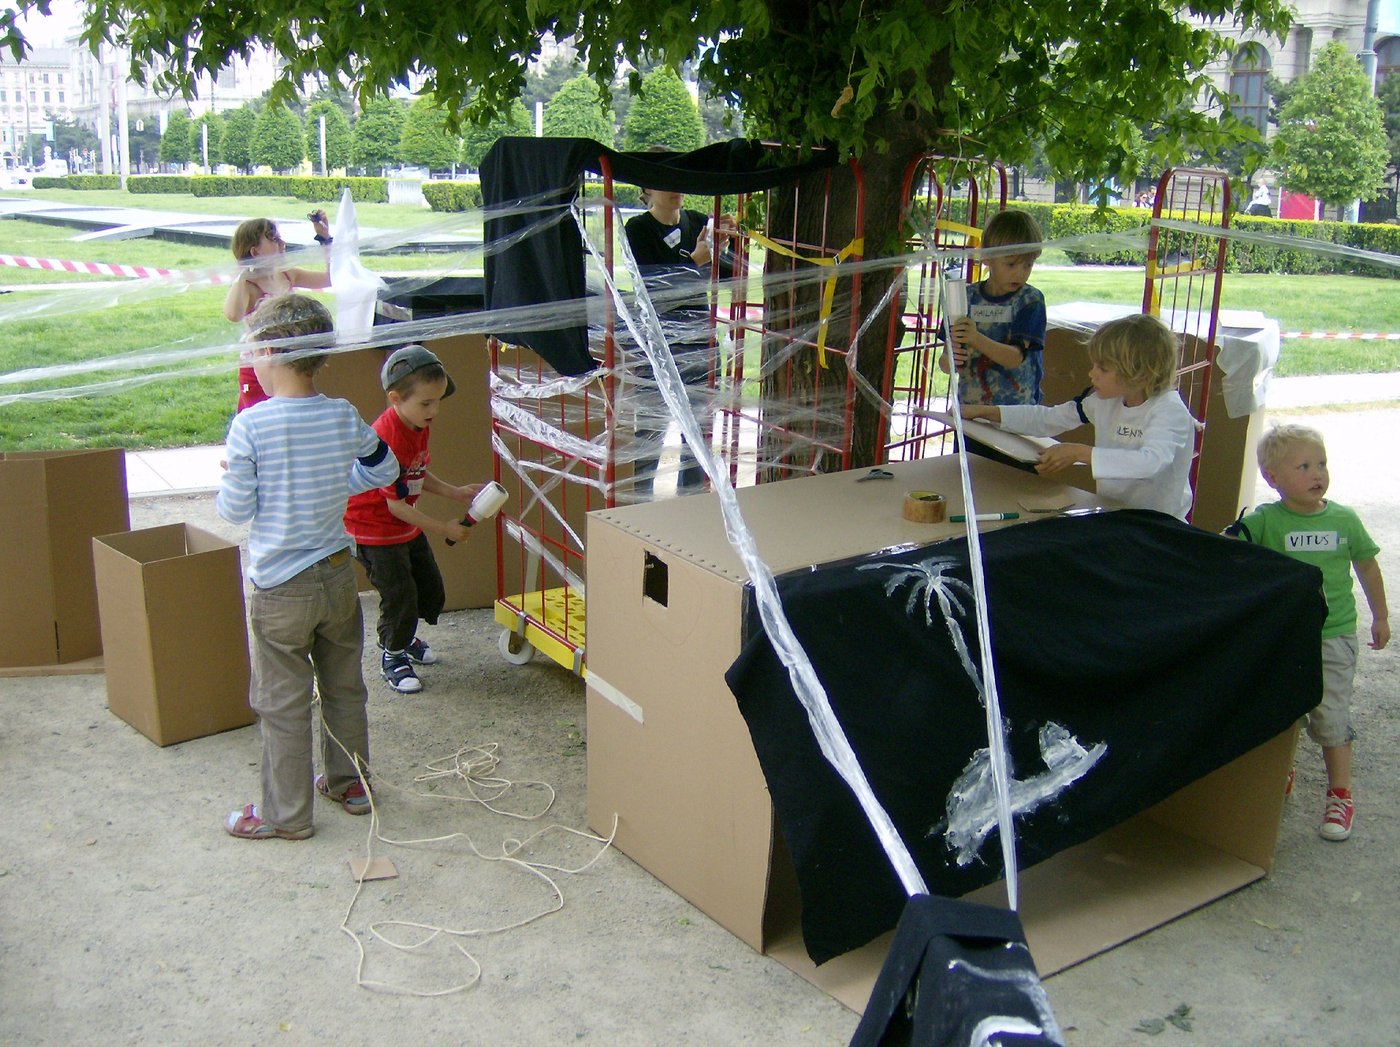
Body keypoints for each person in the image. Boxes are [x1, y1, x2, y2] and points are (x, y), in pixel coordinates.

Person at [217, 294, 401, 841]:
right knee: (345, 686)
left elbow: (235, 510)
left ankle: (286, 815)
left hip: (278, 586)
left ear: (272, 350)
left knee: (281, 701)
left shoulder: (251, 426)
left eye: (253, 346)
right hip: (337, 576)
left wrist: (231, 472)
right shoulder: (342, 413)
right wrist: (334, 487)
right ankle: (350, 785)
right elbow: (384, 466)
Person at [1228, 424, 1389, 842]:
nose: (1317, 473)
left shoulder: (1343, 519)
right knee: (1286, 713)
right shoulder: (1266, 520)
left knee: (1332, 718)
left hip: (1334, 636)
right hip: (1287, 636)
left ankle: (1340, 794)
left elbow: (1367, 567)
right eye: (1303, 466)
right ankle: (1282, 772)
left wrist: (1381, 616)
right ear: (1273, 479)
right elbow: (1231, 546)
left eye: (1321, 464)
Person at [344, 344, 484, 694]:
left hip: (402, 524)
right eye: (426, 403)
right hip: (375, 530)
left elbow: (416, 472)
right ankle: (393, 654)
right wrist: (444, 528)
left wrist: (455, 491)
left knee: (428, 588)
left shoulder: (417, 424)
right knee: (400, 595)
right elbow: (396, 506)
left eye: (438, 401)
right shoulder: (387, 438)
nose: (434, 410)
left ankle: (404, 637)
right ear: (395, 398)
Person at [960, 312, 1196, 520]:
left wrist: (1079, 453)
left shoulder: (1169, 411)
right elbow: (1049, 419)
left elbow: (1151, 463)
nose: (1091, 373)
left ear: (1140, 374)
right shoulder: (1105, 401)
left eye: (1103, 368)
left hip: (1160, 525)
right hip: (1114, 515)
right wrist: (987, 412)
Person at [623, 185, 736, 496]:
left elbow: (728, 275)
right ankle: (638, 510)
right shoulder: (638, 229)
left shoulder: (698, 222)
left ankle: (690, 508)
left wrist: (727, 243)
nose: (676, 190)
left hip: (698, 340)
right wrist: (695, 261)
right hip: (657, 342)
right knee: (650, 431)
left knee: (698, 432)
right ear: (647, 189)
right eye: (664, 183)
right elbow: (652, 289)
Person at [222, 211, 334, 412]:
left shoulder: (287, 274)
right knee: (260, 420)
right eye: (273, 239)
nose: (282, 244)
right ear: (255, 252)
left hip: (288, 364)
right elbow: (232, 314)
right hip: (257, 369)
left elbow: (331, 278)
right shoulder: (248, 286)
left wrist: (324, 239)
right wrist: (241, 275)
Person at [942, 209, 1047, 406]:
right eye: (1011, 264)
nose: (1020, 274)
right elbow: (945, 362)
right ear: (987, 259)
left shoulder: (1030, 301)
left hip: (1015, 414)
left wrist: (975, 338)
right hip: (970, 411)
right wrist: (952, 358)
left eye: (1028, 265)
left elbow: (1015, 358)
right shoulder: (966, 297)